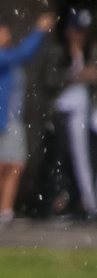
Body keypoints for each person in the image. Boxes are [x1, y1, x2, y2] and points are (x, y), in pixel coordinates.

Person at [0, 13, 54, 222]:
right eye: (1, 30)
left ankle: (4, 211)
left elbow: (29, 54)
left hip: (10, 118)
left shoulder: (6, 57)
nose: (6, 33)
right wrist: (39, 30)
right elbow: (25, 52)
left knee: (14, 165)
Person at [57, 12, 94, 221]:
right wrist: (72, 76)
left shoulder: (90, 50)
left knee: (82, 158)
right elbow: (52, 77)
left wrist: (87, 74)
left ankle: (87, 203)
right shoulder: (60, 51)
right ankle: (69, 202)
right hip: (63, 109)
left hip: (82, 110)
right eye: (77, 30)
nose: (80, 35)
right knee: (65, 157)